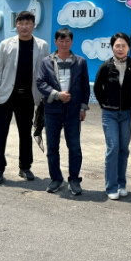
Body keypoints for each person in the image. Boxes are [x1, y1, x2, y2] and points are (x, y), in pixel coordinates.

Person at [0, 11, 49, 184]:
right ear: (16, 25)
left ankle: (25, 167)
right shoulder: (6, 44)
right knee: (0, 134)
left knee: (25, 133)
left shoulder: (41, 45)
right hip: (5, 96)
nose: (24, 27)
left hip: (28, 97)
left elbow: (45, 71)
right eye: (20, 23)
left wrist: (44, 94)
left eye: (27, 23)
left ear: (33, 25)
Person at [36, 29, 90, 196]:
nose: (64, 44)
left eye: (67, 41)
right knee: (52, 147)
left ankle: (74, 179)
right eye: (61, 41)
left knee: (74, 147)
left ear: (71, 42)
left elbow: (85, 87)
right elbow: (40, 82)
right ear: (55, 42)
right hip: (52, 110)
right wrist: (57, 95)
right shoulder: (46, 61)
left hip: (73, 111)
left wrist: (82, 108)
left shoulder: (80, 62)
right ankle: (56, 179)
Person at [94, 33, 131, 200]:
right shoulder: (105, 66)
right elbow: (97, 89)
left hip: (128, 113)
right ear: (112, 47)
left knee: (123, 150)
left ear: (129, 47)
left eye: (123, 45)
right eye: (117, 46)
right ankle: (111, 186)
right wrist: (105, 104)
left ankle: (122, 183)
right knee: (113, 148)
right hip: (110, 113)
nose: (120, 49)